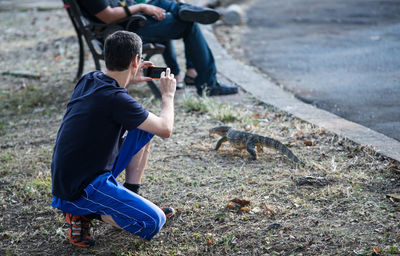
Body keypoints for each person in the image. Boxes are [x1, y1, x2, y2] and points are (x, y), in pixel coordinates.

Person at [50, 31, 176, 247]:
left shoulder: (90, 79)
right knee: (154, 221)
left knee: (143, 129)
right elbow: (165, 129)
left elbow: (112, 96)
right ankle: (84, 213)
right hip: (81, 189)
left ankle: (130, 196)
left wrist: (131, 75)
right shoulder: (118, 100)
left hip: (68, 177)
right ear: (136, 60)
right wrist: (168, 96)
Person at [78, 0, 238, 96]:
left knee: (163, 3)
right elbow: (108, 16)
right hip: (125, 29)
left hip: (128, 21)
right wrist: (141, 7)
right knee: (189, 26)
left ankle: (183, 9)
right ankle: (208, 84)